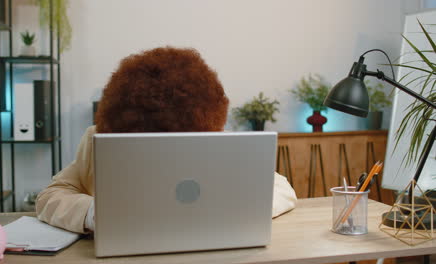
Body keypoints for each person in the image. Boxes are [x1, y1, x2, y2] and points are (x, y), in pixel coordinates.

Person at [36, 46, 297, 234]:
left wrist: (239, 207)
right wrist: (92, 213)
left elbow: (281, 188)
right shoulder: (96, 140)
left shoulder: (219, 142)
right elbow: (50, 196)